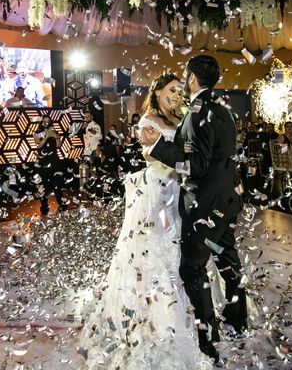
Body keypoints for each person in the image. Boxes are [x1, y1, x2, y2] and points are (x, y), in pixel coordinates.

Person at [79, 72, 212, 369]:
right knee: (157, 245)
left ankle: (188, 305)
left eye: (180, 91)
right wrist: (173, 153)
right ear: (158, 91)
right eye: (172, 90)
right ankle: (156, 314)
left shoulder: (181, 119)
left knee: (178, 242)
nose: (177, 95)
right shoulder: (148, 118)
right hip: (157, 193)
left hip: (177, 188)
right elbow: (149, 155)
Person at [141, 56, 248, 361]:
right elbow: (221, 156)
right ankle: (238, 321)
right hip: (227, 199)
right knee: (228, 261)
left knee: (193, 268)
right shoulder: (224, 108)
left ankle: (208, 337)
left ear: (190, 79)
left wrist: (159, 146)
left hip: (205, 205)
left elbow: (196, 166)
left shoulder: (198, 112)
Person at [34, 115, 66, 214]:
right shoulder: (37, 133)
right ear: (42, 122)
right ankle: (44, 206)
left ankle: (61, 203)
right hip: (43, 161)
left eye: (48, 121)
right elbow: (38, 145)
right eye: (44, 121)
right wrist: (45, 137)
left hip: (54, 160)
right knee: (43, 183)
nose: (46, 123)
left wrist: (56, 138)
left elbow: (59, 145)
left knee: (57, 182)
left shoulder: (54, 131)